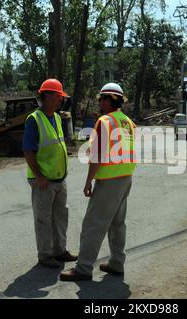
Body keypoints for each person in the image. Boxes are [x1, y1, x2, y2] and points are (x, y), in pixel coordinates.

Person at [60, 83, 137, 281]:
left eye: (101, 99)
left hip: (109, 180)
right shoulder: (127, 121)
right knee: (117, 223)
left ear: (109, 100)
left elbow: (97, 155)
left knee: (93, 224)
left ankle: (83, 268)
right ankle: (117, 263)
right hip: (125, 177)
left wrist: (88, 181)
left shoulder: (104, 122)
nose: (99, 102)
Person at [23, 79, 78, 268]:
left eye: (60, 97)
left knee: (60, 217)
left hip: (59, 179)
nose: (60, 100)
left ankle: (60, 251)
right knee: (43, 220)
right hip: (43, 180)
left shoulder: (56, 117)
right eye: (57, 97)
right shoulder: (34, 120)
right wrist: (39, 176)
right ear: (45, 97)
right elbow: (28, 151)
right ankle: (45, 255)